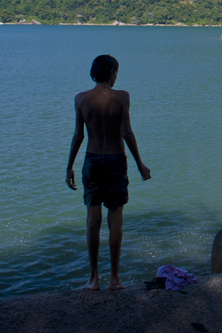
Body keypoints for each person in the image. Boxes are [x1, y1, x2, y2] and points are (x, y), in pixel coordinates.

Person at [66, 55, 151, 290]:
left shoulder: (81, 99)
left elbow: (78, 136)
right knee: (116, 223)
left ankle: (94, 279)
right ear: (112, 72)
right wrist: (140, 164)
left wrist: (69, 166)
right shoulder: (122, 97)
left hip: (92, 162)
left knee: (92, 221)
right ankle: (115, 278)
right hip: (115, 161)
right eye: (116, 72)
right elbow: (127, 133)